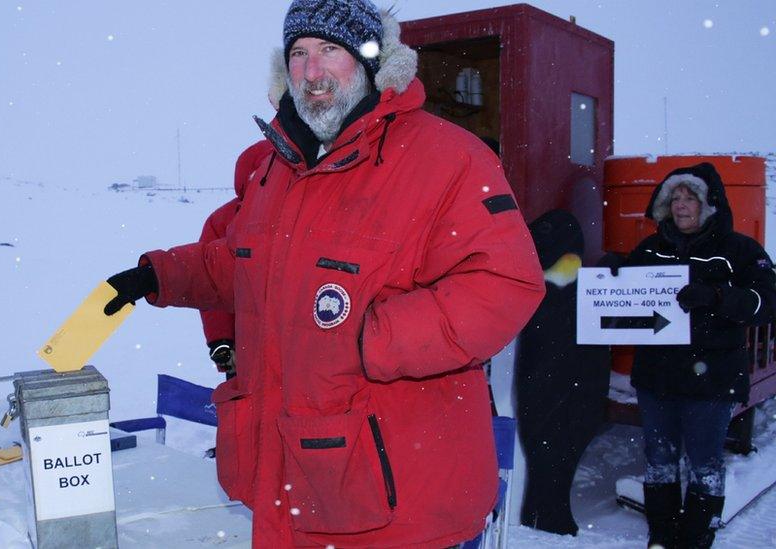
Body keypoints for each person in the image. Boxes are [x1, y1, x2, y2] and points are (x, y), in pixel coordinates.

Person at [102, 1, 545, 546]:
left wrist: (371, 337)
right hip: (293, 481)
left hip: (399, 501)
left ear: (369, 60)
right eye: (299, 54)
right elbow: (243, 261)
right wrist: (161, 277)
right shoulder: (279, 166)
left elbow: (504, 283)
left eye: (329, 50)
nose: (312, 71)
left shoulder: (448, 158)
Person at [619, 163, 775, 548]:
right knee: (658, 456)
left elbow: (768, 303)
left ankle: (696, 534)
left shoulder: (739, 250)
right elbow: (623, 294)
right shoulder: (651, 248)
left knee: (705, 460)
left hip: (713, 378)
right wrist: (610, 276)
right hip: (657, 376)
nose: (681, 206)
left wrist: (718, 297)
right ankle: (662, 532)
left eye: (690, 198)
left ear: (709, 205)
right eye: (675, 198)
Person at [516, 209, 610, 536]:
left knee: (552, 451)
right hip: (559, 384)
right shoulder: (538, 284)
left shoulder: (535, 283)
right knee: (550, 452)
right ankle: (547, 514)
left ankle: (542, 513)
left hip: (557, 384)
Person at [198, 140, 274, 377]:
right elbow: (209, 284)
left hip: (302, 351)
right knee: (246, 409)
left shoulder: (305, 216)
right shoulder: (222, 222)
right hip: (244, 350)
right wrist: (221, 340)